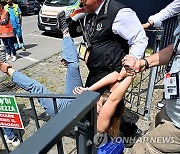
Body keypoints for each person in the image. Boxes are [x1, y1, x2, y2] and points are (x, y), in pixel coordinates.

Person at [122, 22, 180, 154]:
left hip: (177, 124)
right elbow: (176, 48)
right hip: (170, 111)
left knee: (139, 150)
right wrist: (144, 62)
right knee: (151, 132)